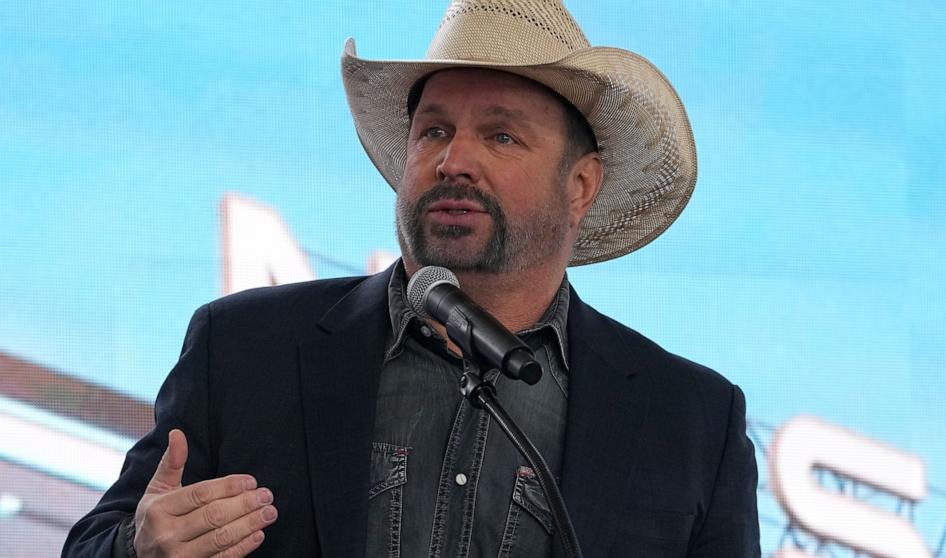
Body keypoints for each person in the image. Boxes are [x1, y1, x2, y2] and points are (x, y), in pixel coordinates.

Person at [63, 1, 760, 556]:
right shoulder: (244, 348)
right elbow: (93, 544)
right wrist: (137, 548)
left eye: (501, 135)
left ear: (580, 186)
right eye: (432, 131)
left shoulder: (691, 422)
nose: (454, 159)